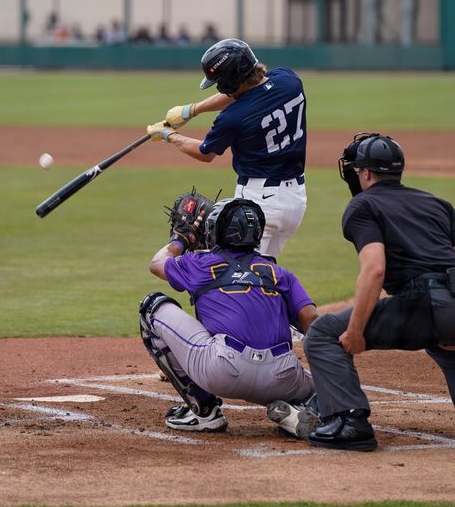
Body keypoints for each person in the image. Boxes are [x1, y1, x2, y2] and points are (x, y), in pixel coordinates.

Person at [303, 133, 455, 452]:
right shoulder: (437, 203)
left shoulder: (363, 204)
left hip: (427, 302)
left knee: (324, 333)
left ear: (366, 173)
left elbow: (374, 270)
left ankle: (349, 423)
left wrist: (355, 332)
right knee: (445, 345)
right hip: (444, 301)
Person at [139, 194, 320, 435]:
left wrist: (180, 239)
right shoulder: (279, 273)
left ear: (215, 231)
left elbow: (157, 263)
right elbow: (311, 320)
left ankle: (204, 411)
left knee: (151, 306)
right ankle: (304, 409)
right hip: (283, 377)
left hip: (223, 371)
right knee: (318, 391)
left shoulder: (199, 263)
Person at [145, 38, 307, 259]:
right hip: (294, 202)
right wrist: (192, 110)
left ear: (230, 82)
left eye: (220, 81)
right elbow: (249, 93)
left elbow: (205, 153)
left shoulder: (233, 118)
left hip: (260, 203)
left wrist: (169, 135)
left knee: (237, 276)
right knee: (266, 272)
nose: (220, 86)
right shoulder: (289, 81)